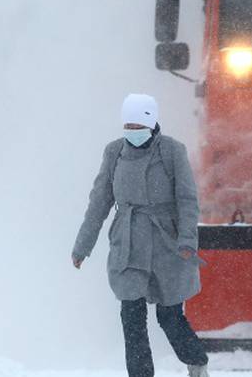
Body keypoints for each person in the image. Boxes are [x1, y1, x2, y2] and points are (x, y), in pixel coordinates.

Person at [71, 93, 209, 377]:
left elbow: (187, 200)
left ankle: (196, 361)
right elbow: (99, 202)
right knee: (131, 317)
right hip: (128, 244)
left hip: (167, 246)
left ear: (152, 122)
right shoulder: (113, 153)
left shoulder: (172, 151)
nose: (133, 133)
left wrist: (186, 241)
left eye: (138, 127)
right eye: (128, 127)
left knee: (169, 317)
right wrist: (82, 246)